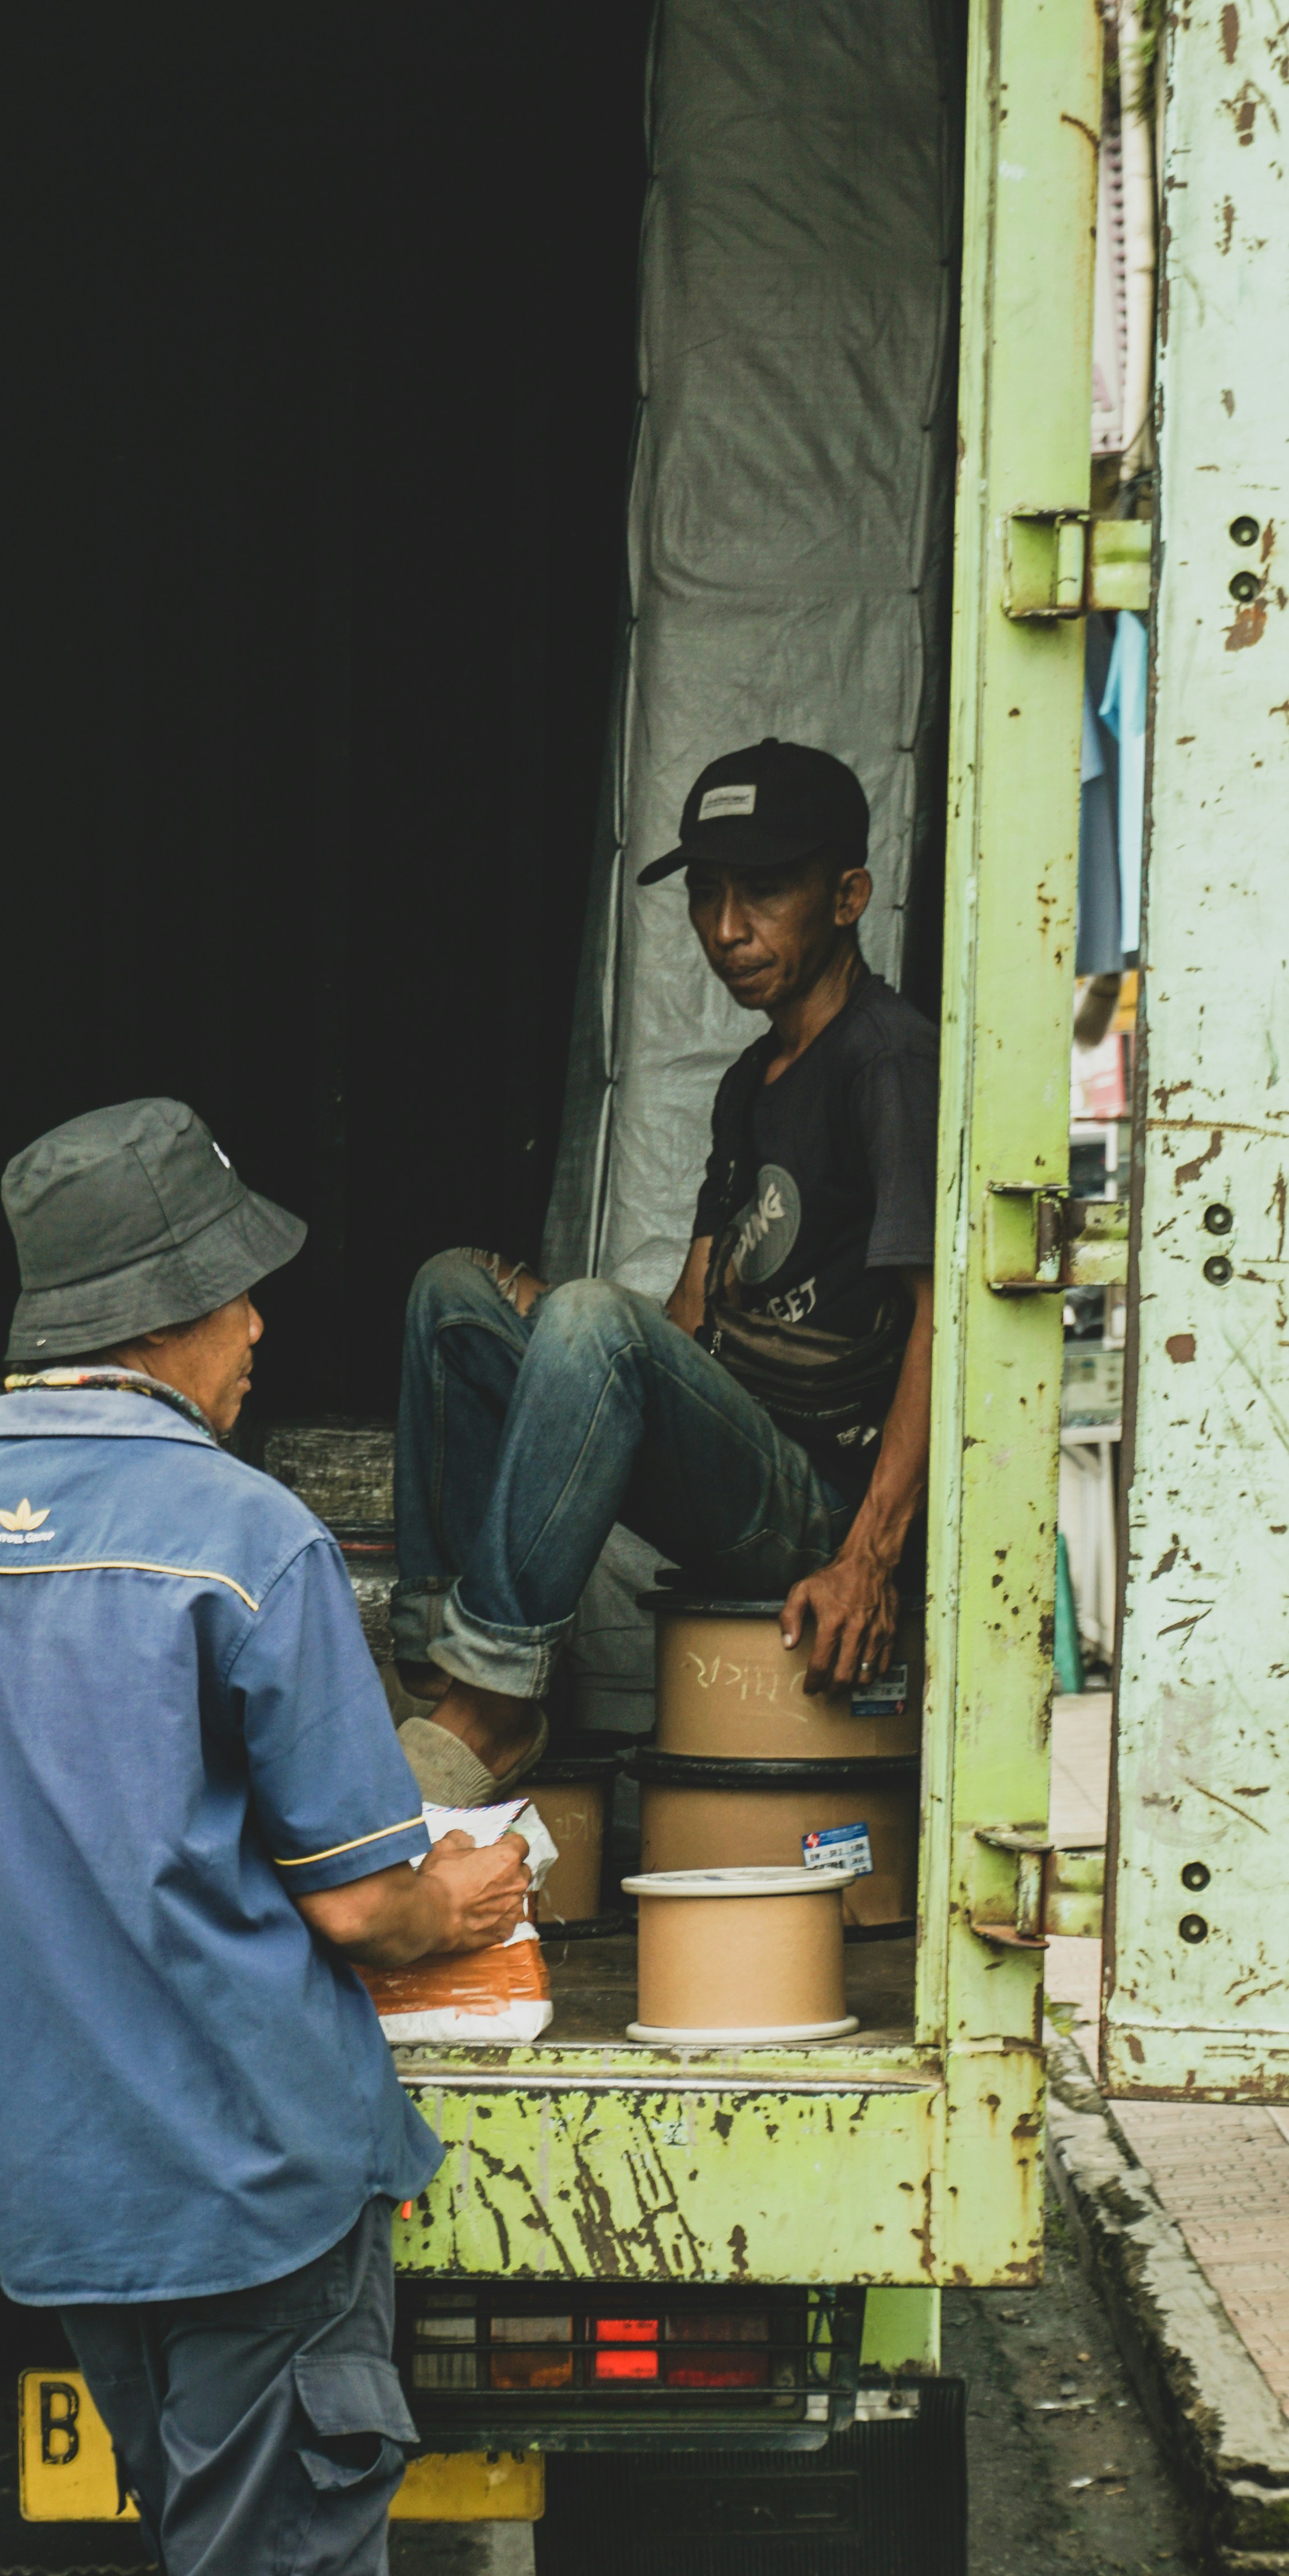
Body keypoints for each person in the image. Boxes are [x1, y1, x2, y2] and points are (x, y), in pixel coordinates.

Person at [0, 1098, 529, 2576]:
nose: (260, 1325)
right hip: (252, 2177)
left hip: (64, 2196)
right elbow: (356, 1898)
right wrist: (449, 1897)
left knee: (219, 2566)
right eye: (237, 1290)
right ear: (167, 1316)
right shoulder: (245, 1538)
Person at [391, 739, 938, 1804]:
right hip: (737, 1456)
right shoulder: (751, 1080)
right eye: (708, 894)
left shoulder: (889, 1063)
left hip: (821, 1498)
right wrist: (554, 1325)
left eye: (766, 892)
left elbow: (944, 1324)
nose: (727, 930)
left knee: (593, 1317)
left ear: (849, 896)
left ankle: (498, 1700)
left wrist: (867, 1558)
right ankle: (439, 1669)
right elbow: (688, 1324)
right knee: (452, 1295)